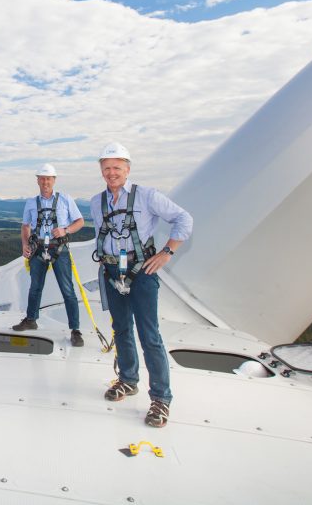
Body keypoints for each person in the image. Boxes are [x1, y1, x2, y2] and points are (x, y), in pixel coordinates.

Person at [91, 142, 192, 428]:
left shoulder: (147, 196)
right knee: (121, 329)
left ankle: (161, 399)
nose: (112, 173)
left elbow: (183, 218)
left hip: (141, 270)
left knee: (149, 335)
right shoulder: (97, 201)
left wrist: (167, 252)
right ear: (101, 170)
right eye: (107, 168)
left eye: (117, 168)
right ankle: (128, 380)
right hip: (112, 270)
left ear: (128, 169)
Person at [12, 163, 86, 346]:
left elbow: (80, 221)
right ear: (37, 180)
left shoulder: (65, 199)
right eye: (42, 178)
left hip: (59, 248)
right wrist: (24, 244)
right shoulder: (31, 203)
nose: (45, 182)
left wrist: (66, 230)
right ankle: (31, 320)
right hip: (37, 248)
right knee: (35, 286)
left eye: (49, 179)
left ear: (54, 180)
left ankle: (75, 330)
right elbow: (25, 226)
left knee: (67, 289)